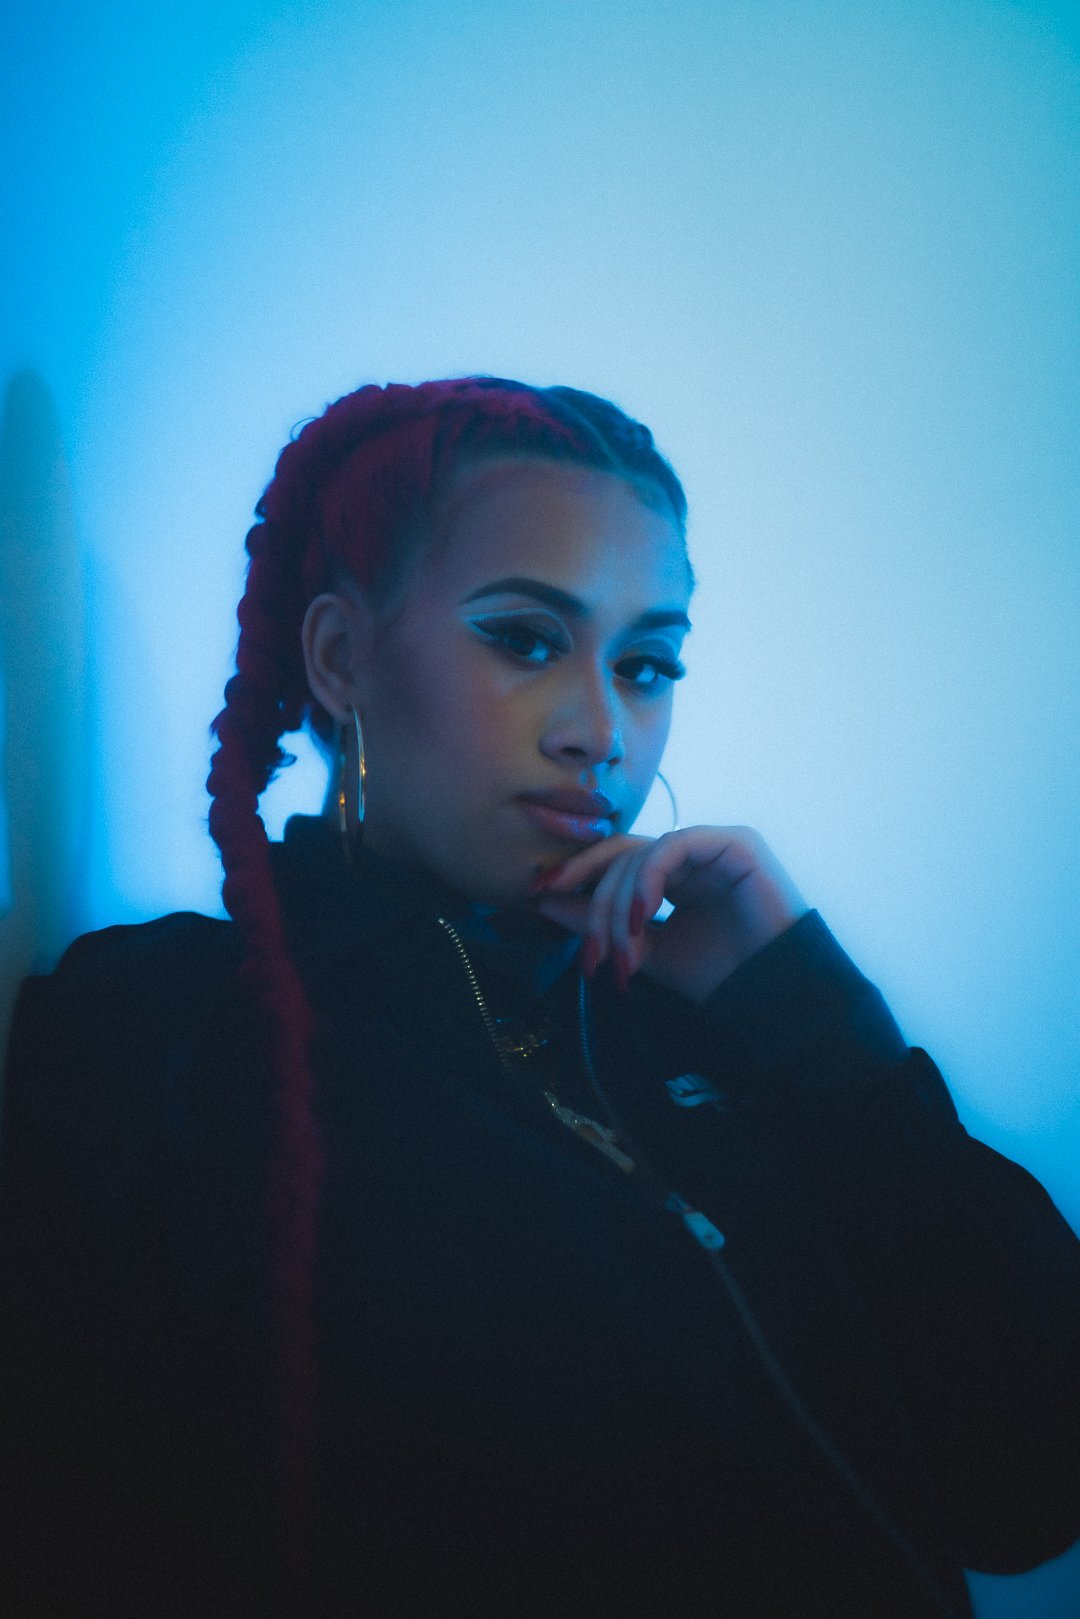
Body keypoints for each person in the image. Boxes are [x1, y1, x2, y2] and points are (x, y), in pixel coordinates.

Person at [1, 376, 1077, 1619]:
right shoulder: (162, 1034)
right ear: (342, 657)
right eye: (524, 637)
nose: (602, 728)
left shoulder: (724, 1029)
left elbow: (1031, 1482)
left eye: (647, 660)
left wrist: (817, 1025)